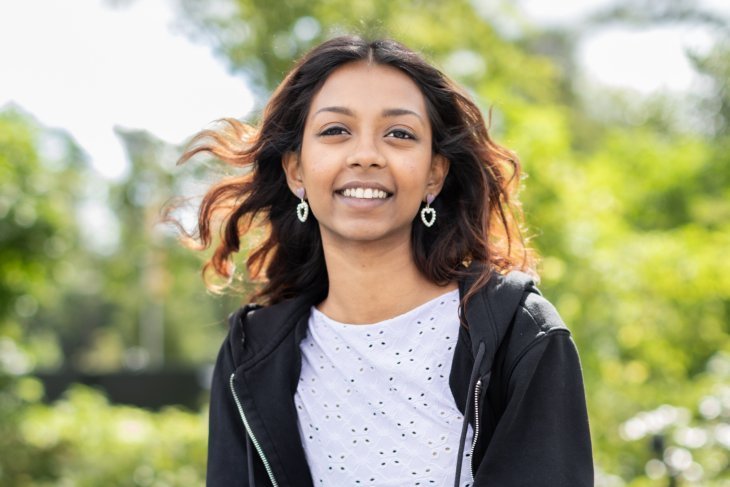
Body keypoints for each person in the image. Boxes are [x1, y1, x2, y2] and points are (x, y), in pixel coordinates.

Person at [179, 35, 593, 486]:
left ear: (434, 173)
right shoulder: (250, 356)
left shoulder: (520, 333)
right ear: (295, 170)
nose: (366, 156)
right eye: (336, 130)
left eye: (399, 134)